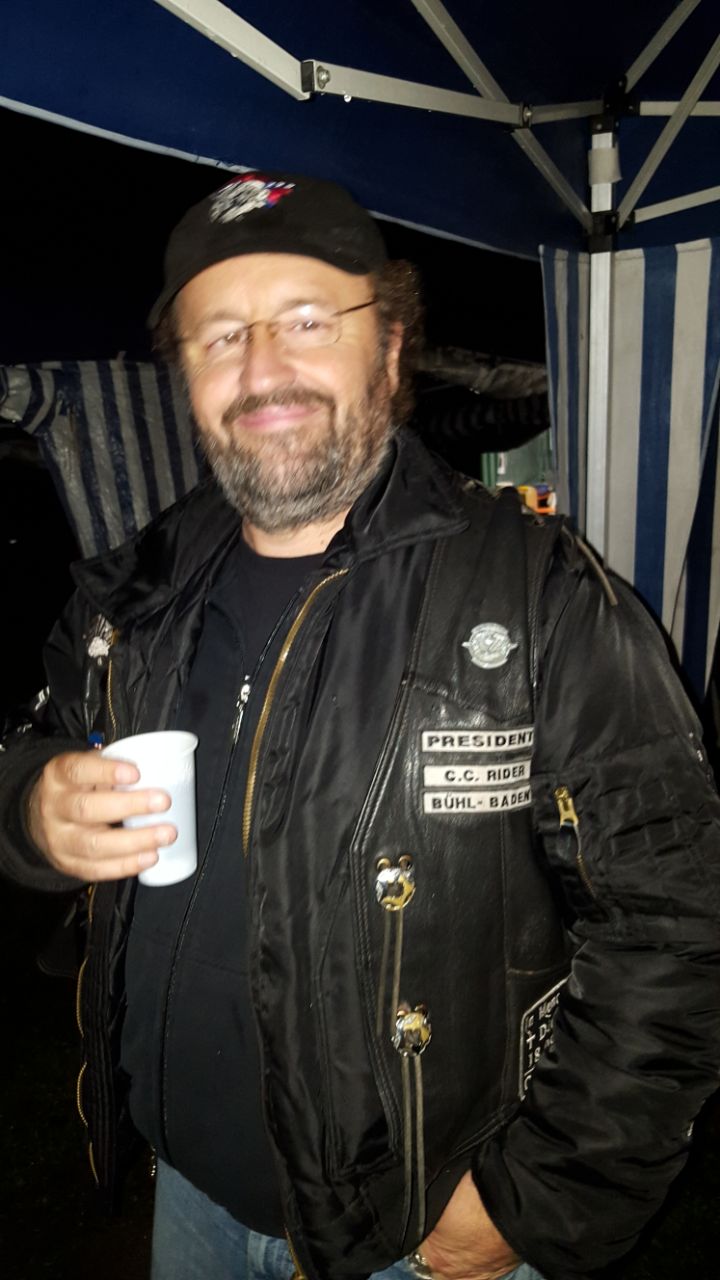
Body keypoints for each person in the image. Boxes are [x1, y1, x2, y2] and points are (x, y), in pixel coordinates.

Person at [1, 170, 720, 1280]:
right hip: (187, 1195)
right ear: (184, 375)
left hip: (417, 1228)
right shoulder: (131, 591)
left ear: (388, 349)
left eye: (305, 321)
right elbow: (32, 741)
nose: (261, 369)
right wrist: (31, 801)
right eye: (219, 336)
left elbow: (677, 920)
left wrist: (539, 1197)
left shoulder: (539, 595)